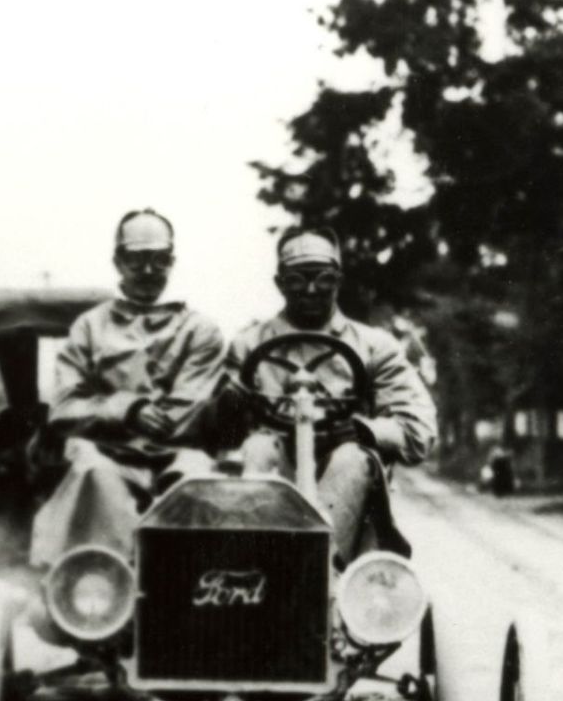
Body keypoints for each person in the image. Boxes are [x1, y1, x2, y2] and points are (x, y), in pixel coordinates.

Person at [214, 227, 437, 563]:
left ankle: (323, 567)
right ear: (279, 283)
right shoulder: (248, 346)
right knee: (258, 448)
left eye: (323, 278)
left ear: (338, 280)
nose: (311, 289)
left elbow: (419, 430)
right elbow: (219, 431)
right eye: (297, 279)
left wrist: (364, 431)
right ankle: (258, 565)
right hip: (273, 470)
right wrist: (228, 408)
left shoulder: (375, 346)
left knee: (352, 459)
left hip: (348, 483)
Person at [28, 209, 225, 563]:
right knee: (92, 472)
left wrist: (105, 417)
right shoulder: (89, 327)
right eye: (136, 259)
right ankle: (97, 579)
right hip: (104, 456)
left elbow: (186, 412)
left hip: (177, 456)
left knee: (197, 482)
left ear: (171, 262)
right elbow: (63, 408)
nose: (148, 270)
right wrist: (127, 410)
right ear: (118, 261)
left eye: (159, 259)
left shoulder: (201, 331)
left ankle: (192, 583)